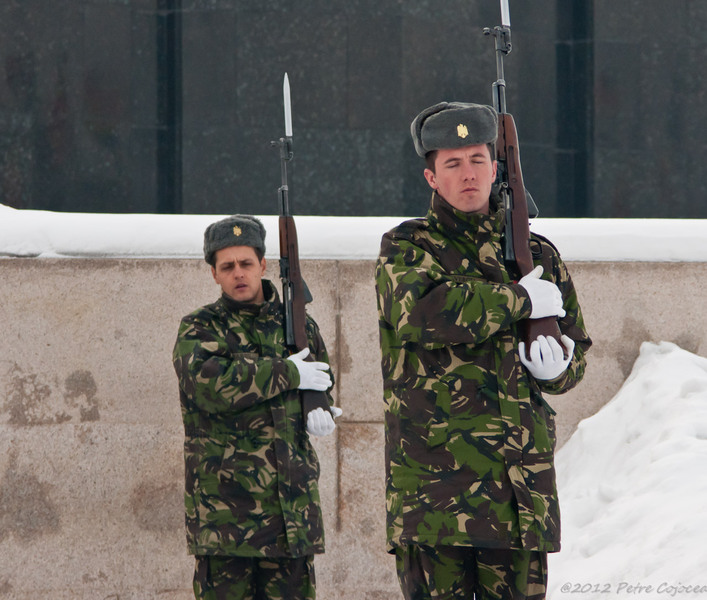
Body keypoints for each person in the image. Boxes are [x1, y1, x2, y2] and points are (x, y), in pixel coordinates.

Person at [375, 102, 592, 600]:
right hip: (435, 496)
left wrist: (559, 368)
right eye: (452, 163)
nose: (468, 174)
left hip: (519, 494)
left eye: (477, 159)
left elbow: (575, 345)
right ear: (432, 177)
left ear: (496, 169)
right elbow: (421, 312)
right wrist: (518, 299)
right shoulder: (408, 246)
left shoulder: (537, 253)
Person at [173, 215, 341, 600]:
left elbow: (321, 378)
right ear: (214, 274)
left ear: (263, 265)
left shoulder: (299, 325)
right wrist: (287, 372)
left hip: (292, 518)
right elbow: (209, 384)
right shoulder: (200, 328)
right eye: (227, 266)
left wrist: (320, 408)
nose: (238, 273)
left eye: (246, 263)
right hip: (226, 522)